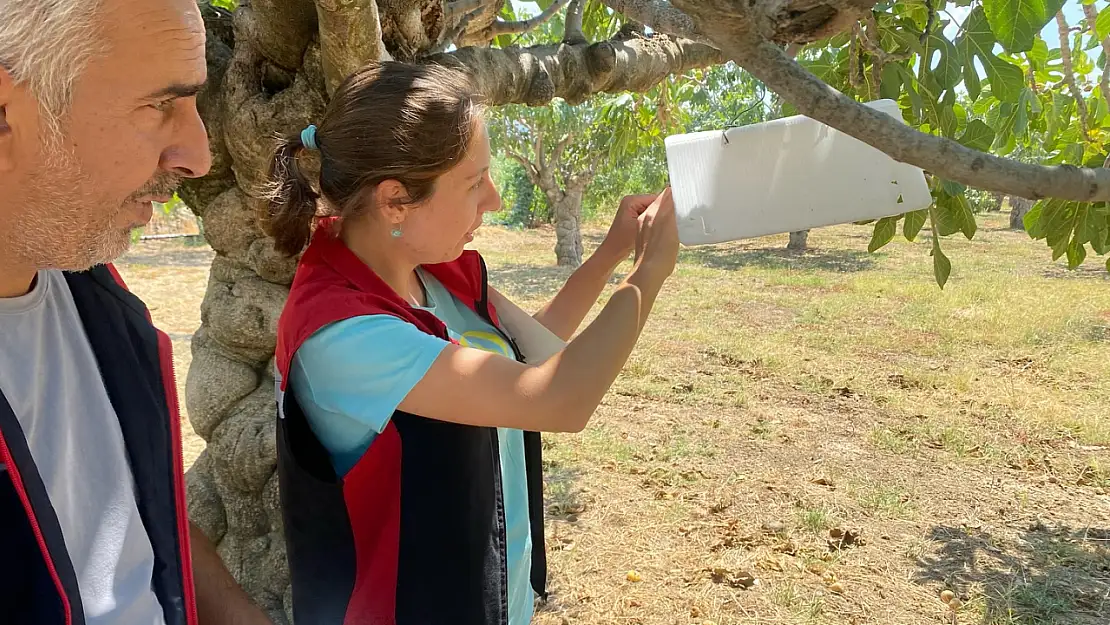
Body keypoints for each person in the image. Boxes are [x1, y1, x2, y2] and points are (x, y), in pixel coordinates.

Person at [264, 61, 679, 625]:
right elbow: (557, 398)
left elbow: (537, 354)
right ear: (394, 201)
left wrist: (611, 255)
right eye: (473, 181)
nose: (495, 198)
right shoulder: (344, 336)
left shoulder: (432, 270)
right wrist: (650, 270)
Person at [0, 0, 274, 623]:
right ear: (5, 115)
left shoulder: (96, 298)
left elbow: (129, 505)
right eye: (159, 106)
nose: (198, 158)